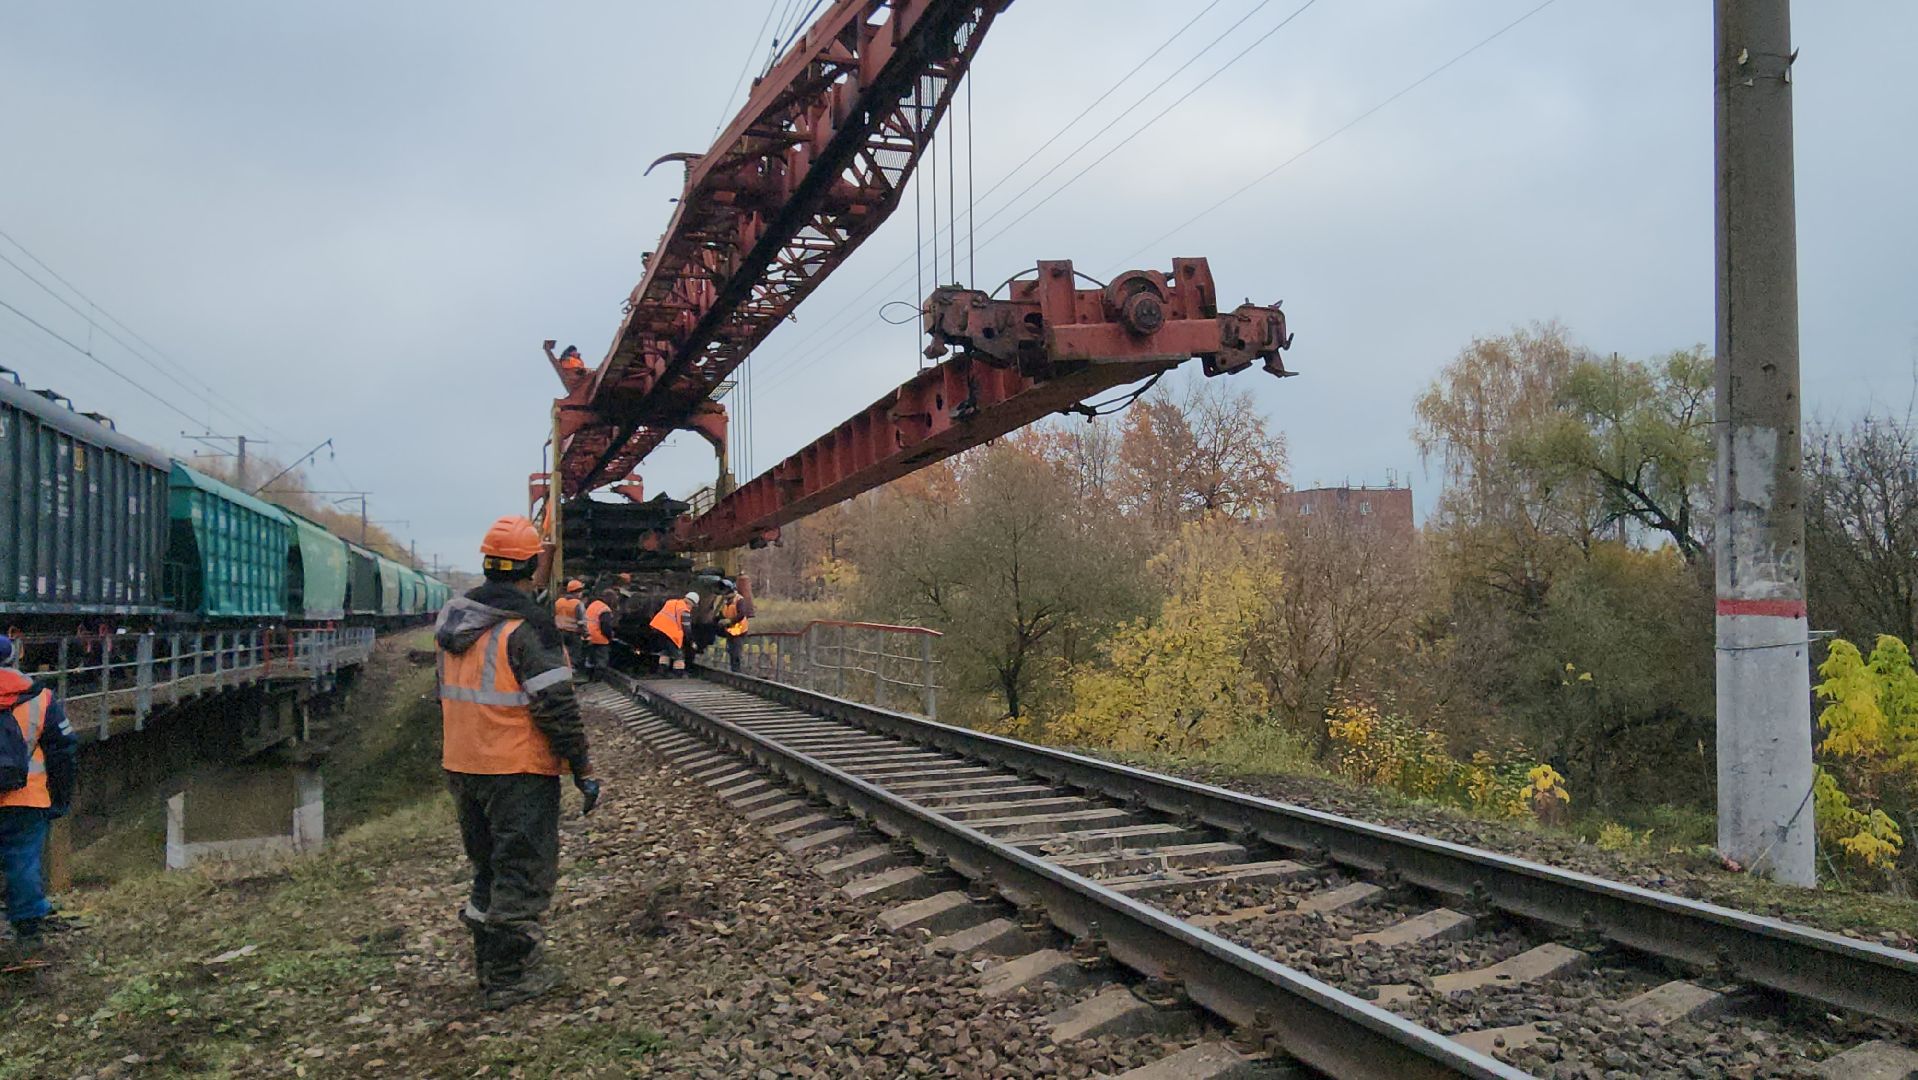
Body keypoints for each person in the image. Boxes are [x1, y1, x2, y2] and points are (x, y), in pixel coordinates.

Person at [436, 515, 600, 1010]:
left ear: (488, 563)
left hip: (463, 765)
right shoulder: (528, 630)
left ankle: (489, 967)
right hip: (517, 770)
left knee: (487, 866)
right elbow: (558, 709)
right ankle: (508, 980)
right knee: (523, 872)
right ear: (531, 566)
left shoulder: (455, 621)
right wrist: (583, 768)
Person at [0, 634, 77, 957]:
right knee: (23, 862)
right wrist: (60, 798)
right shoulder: (41, 698)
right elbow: (63, 753)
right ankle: (28, 930)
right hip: (27, 799)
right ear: (12, 658)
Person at [647, 592, 696, 675]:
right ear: (691, 603)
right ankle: (678, 673)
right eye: (693, 606)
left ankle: (662, 671)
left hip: (659, 630)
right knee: (679, 655)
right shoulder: (684, 610)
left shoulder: (671, 602)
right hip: (672, 634)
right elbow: (686, 627)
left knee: (665, 651)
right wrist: (691, 640)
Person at [717, 579, 754, 674]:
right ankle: (734, 671)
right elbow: (723, 614)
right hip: (730, 631)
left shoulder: (739, 599)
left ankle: (738, 672)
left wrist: (730, 621)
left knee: (736, 653)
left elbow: (741, 614)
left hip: (739, 631)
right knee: (731, 652)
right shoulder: (726, 602)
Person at [581, 591, 615, 680]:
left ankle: (588, 676)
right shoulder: (605, 609)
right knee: (601, 660)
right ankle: (598, 679)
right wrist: (610, 636)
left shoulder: (593, 605)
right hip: (600, 638)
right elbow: (605, 626)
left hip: (588, 636)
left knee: (590, 659)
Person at [552, 580, 585, 661]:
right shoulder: (578, 603)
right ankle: (571, 669)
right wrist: (585, 633)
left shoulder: (558, 602)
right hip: (573, 633)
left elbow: (553, 615)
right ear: (577, 592)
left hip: (559, 631)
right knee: (573, 655)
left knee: (562, 653)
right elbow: (581, 621)